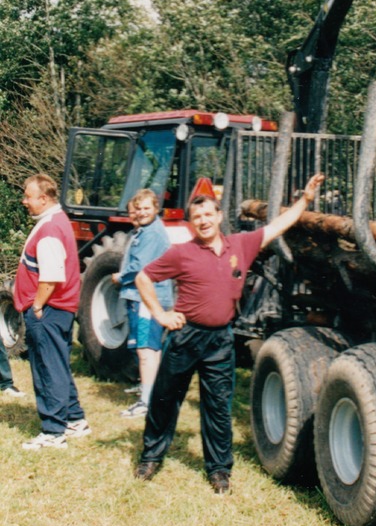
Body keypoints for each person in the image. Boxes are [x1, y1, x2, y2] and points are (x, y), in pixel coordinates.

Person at [133, 172, 325, 494]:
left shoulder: (242, 244)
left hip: (221, 339)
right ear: (191, 223)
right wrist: (160, 314)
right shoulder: (182, 252)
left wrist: (305, 199)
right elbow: (143, 278)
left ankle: (219, 470)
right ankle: (151, 457)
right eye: (197, 217)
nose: (204, 221)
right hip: (185, 337)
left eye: (209, 214)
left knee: (218, 407)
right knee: (165, 400)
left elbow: (279, 225)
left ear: (220, 216)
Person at [14, 174, 90, 450]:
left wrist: (36, 305)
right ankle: (75, 418)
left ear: (43, 198)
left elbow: (51, 276)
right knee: (57, 365)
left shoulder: (49, 230)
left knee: (46, 369)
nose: (24, 201)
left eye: (28, 196)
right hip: (58, 309)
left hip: (48, 310)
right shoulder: (57, 222)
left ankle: (53, 430)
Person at [112, 190, 173, 418]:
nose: (143, 212)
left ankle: (146, 402)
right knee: (149, 348)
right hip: (142, 297)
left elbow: (139, 267)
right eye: (139, 209)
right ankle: (148, 390)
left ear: (156, 208)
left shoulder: (152, 234)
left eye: (147, 208)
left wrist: (119, 277)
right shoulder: (145, 231)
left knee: (146, 349)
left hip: (147, 298)